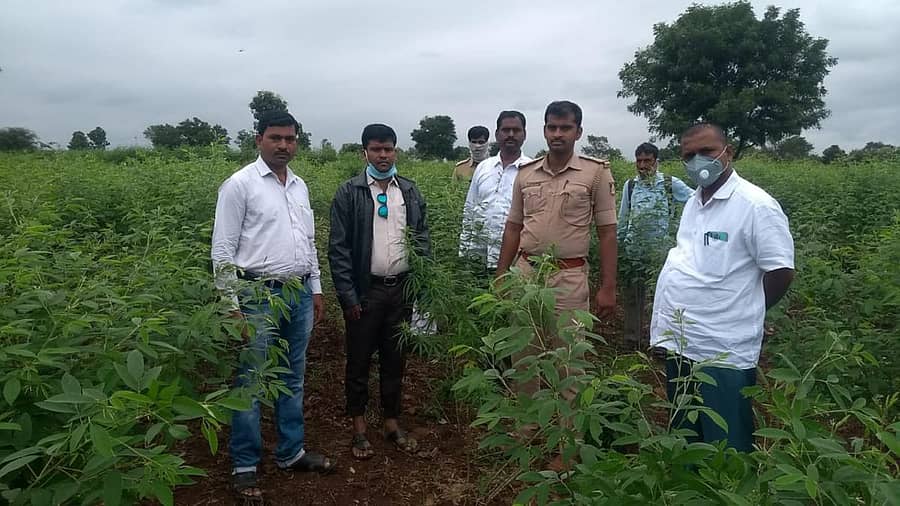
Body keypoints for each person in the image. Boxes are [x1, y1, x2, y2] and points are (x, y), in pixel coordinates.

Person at [211, 111, 336, 503]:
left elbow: (308, 242)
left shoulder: (298, 186)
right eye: (276, 138)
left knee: (293, 375)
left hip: (297, 294)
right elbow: (223, 250)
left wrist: (315, 288)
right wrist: (232, 305)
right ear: (258, 139)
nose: (284, 145)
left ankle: (290, 451)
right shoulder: (240, 185)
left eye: (290, 139)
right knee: (251, 381)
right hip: (256, 296)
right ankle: (245, 464)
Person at [650, 123, 795, 452]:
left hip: (723, 349)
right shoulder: (694, 202)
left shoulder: (755, 205)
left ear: (727, 152)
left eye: (707, 152)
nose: (698, 161)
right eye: (689, 155)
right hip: (684, 341)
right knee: (686, 433)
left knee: (725, 442)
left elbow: (781, 271)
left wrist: (751, 309)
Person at [328, 123, 432, 460]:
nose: (382, 155)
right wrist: (348, 296)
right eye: (376, 149)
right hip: (366, 292)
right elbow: (339, 250)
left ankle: (391, 421)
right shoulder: (350, 192)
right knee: (358, 361)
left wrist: (422, 288)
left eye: (388, 149)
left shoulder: (410, 192)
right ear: (365, 153)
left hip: (401, 290)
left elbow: (422, 242)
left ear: (395, 151)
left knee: (395, 359)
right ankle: (358, 425)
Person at [618, 142, 693, 349]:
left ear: (656, 162)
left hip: (661, 253)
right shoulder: (630, 186)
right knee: (633, 298)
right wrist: (620, 246)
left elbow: (696, 200)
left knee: (660, 299)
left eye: (647, 161)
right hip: (634, 251)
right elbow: (623, 217)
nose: (642, 166)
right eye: (639, 161)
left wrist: (683, 230)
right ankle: (632, 341)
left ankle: (661, 343)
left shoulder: (670, 183)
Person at [458, 111, 532, 271]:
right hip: (478, 258)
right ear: (497, 134)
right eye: (505, 130)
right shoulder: (484, 167)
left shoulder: (532, 170)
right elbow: (470, 209)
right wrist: (465, 251)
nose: (511, 135)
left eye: (516, 130)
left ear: (524, 134)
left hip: (515, 262)